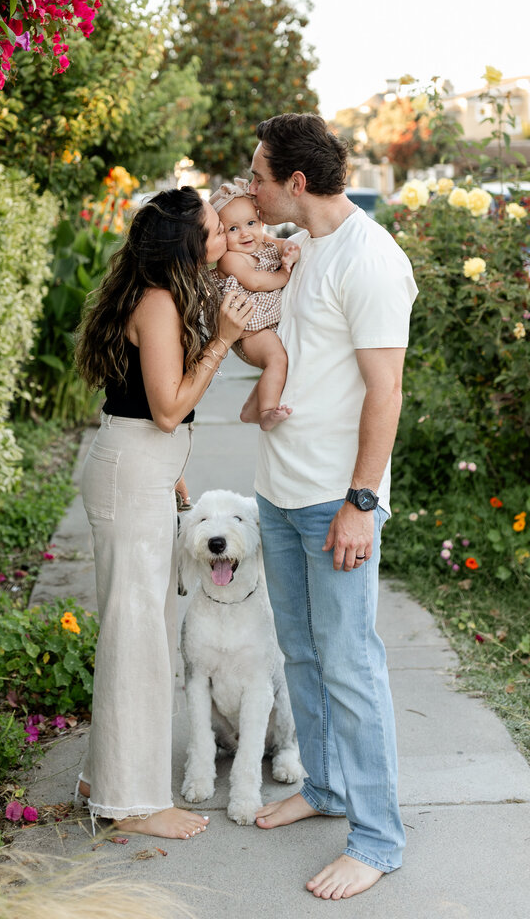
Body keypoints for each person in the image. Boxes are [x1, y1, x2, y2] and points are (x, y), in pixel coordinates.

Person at [246, 114, 418, 900]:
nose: (250, 188)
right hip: (279, 489)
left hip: (332, 501)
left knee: (350, 664)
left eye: (258, 176)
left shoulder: (372, 261)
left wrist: (359, 502)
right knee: (303, 653)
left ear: (297, 183)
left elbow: (386, 390)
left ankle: (377, 838)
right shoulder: (309, 245)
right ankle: (325, 788)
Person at [74, 186, 254, 839]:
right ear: (186, 242)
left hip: (145, 475)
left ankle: (105, 778)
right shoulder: (156, 303)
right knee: (138, 641)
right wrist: (222, 342)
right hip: (131, 477)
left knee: (141, 632)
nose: (223, 238)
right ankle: (133, 804)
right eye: (213, 229)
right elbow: (168, 408)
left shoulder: (164, 295)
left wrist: (176, 474)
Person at [208, 177, 300, 430]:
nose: (245, 233)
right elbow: (255, 282)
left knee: (285, 355)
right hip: (250, 329)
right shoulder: (230, 259)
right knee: (277, 359)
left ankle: (250, 408)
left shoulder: (261, 240)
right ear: (221, 234)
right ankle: (267, 411)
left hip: (267, 322)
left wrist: (291, 248)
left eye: (251, 223)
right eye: (233, 229)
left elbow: (283, 244)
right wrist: (283, 275)